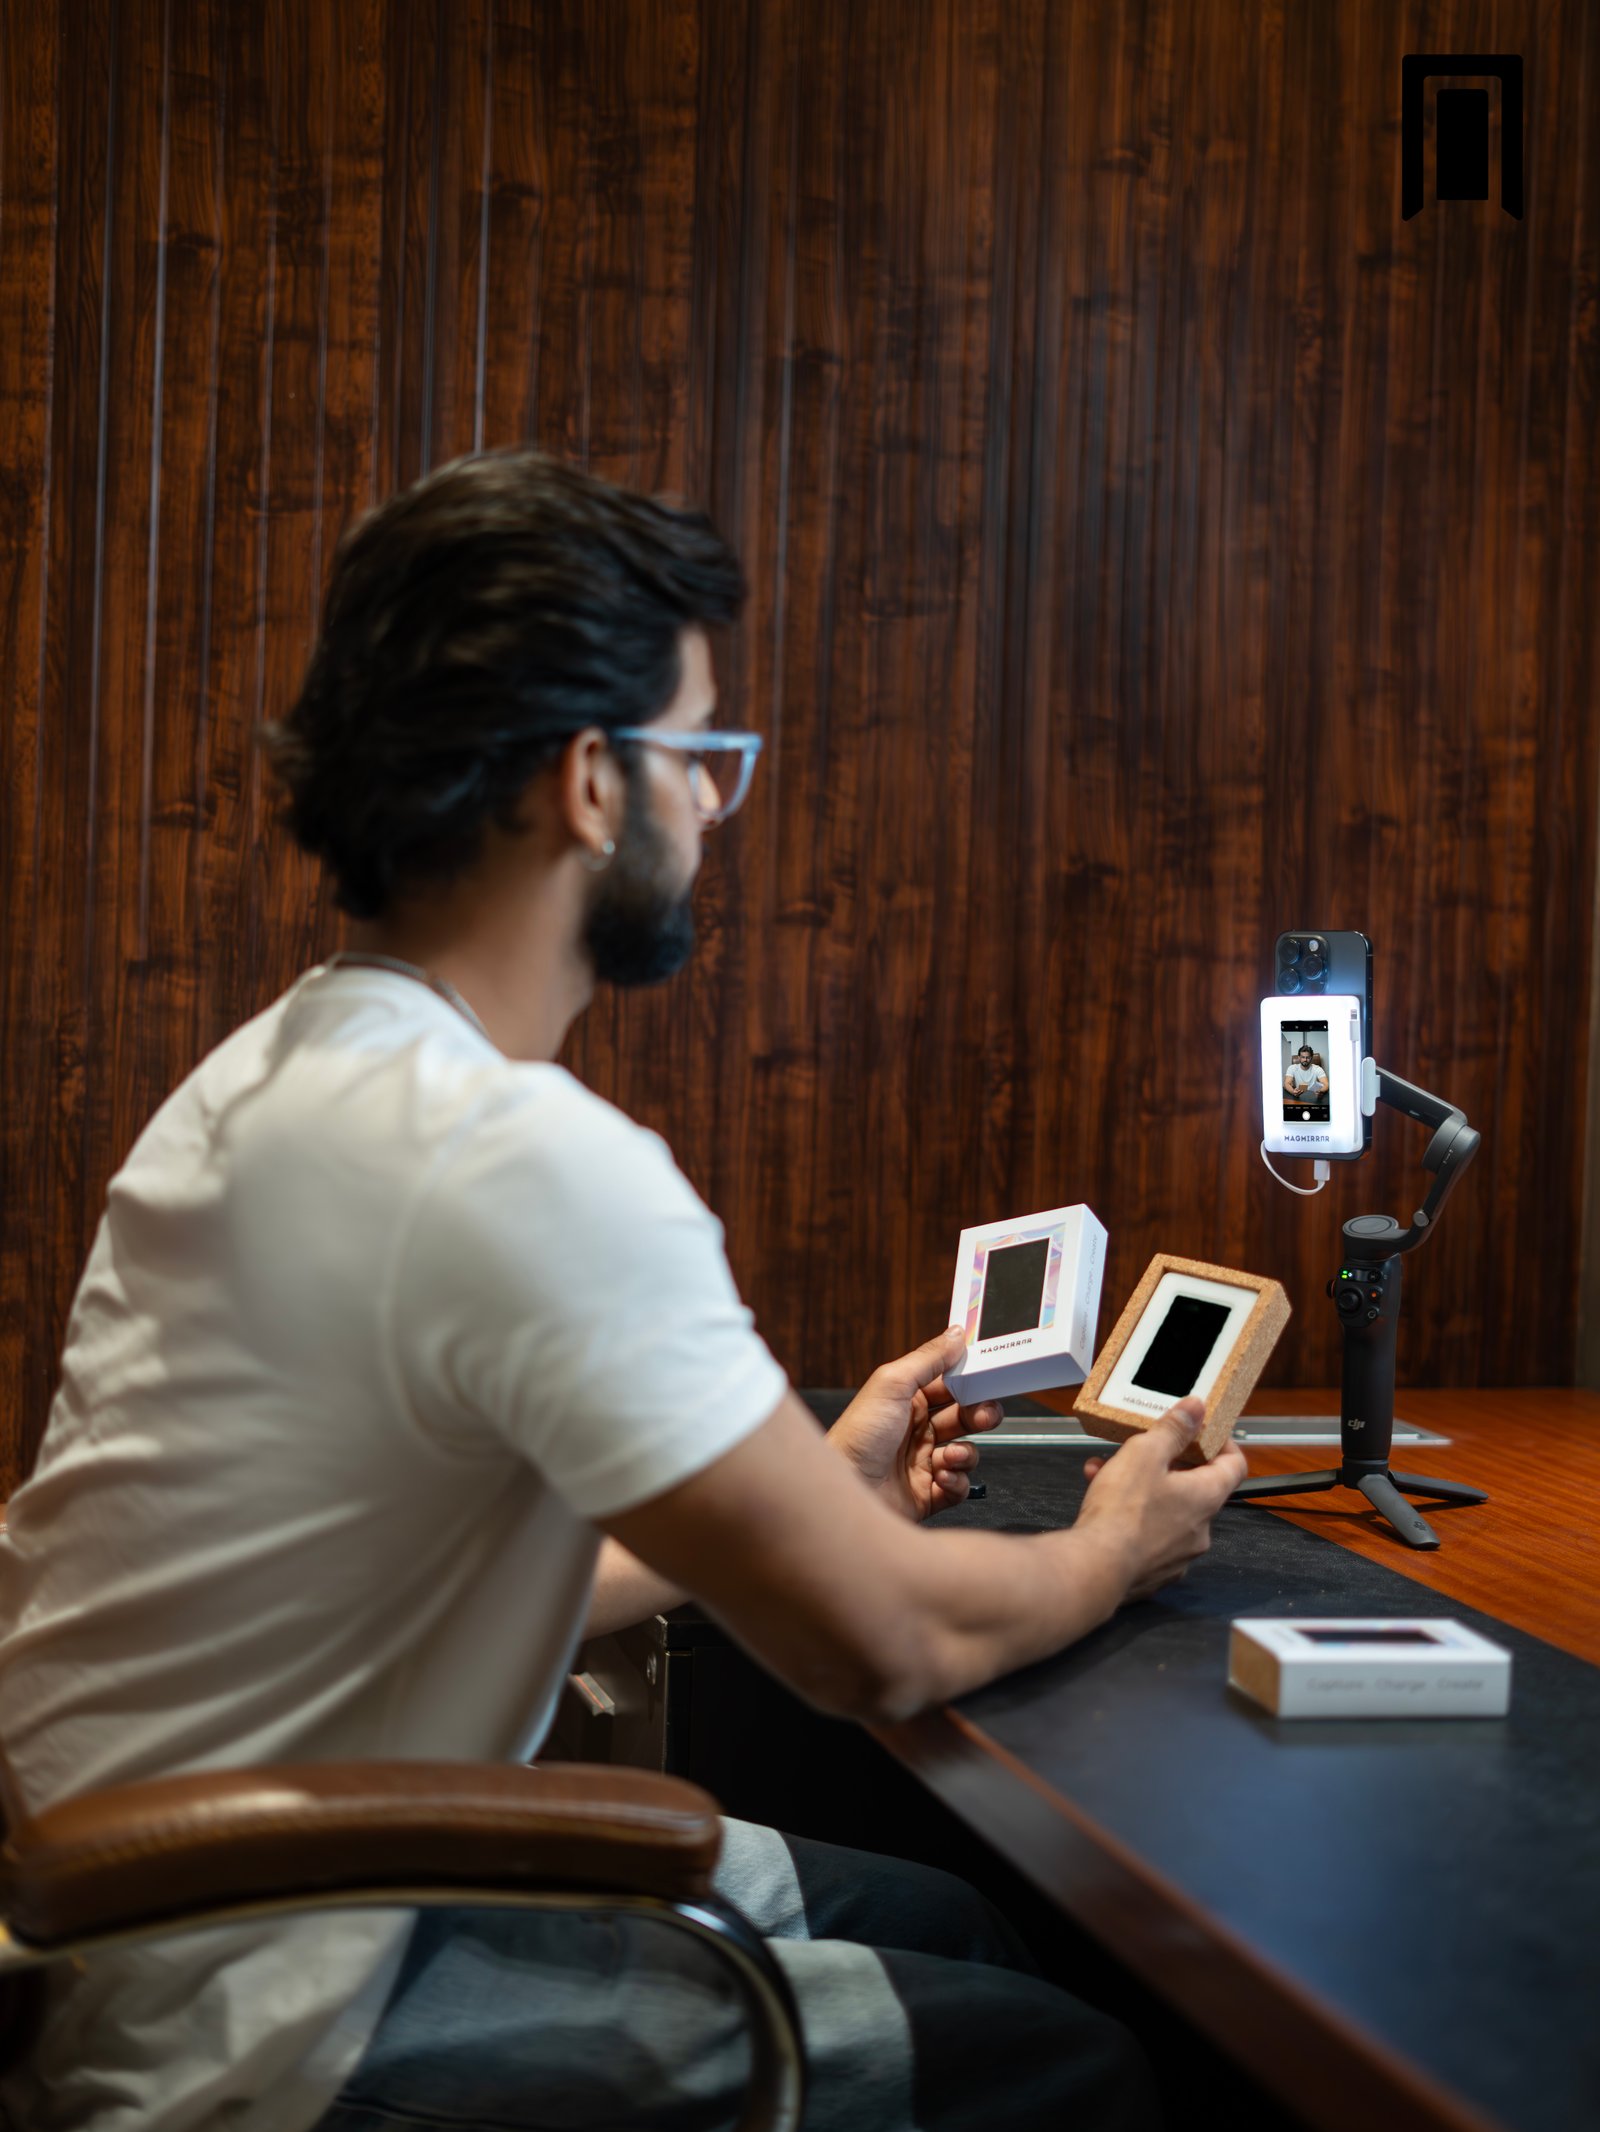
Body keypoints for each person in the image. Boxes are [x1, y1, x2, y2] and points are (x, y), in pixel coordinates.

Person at [0, 449, 1247, 2132]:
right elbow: (884, 1644)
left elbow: (379, 1574)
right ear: (593, 781)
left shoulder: (273, 1076)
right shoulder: (508, 1153)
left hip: (172, 1922)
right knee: (1076, 2064)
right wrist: (1116, 1544)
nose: (714, 810)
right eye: (702, 756)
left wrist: (815, 1491)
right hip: (278, 2012)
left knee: (958, 1919)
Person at [1283, 1045, 1328, 1111]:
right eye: (1303, 1057)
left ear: (1311, 1057)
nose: (1305, 1060)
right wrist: (1293, 1092)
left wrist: (1320, 1091)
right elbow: (1286, 1083)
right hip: (1298, 1097)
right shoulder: (1292, 1068)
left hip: (1314, 1098)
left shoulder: (1317, 1069)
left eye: (1308, 1057)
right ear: (1299, 1057)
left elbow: (1326, 1084)